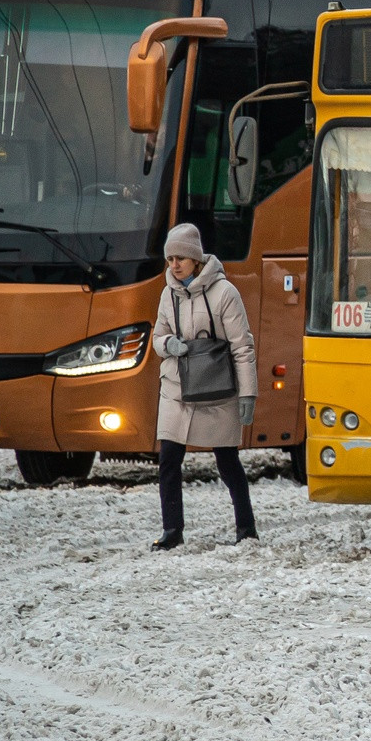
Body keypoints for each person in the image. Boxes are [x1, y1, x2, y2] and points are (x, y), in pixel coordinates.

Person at [150, 222, 257, 549]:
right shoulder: (168, 294)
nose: (175, 265)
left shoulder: (225, 293)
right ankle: (172, 531)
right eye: (170, 259)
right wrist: (168, 344)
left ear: (196, 259)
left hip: (217, 387)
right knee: (168, 459)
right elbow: (157, 337)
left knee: (227, 462)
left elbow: (242, 345)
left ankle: (246, 529)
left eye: (181, 257)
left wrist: (248, 393)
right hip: (177, 387)